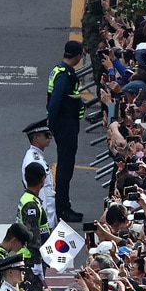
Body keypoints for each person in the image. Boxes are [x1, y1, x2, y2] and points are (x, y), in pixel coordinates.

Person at [45, 39, 85, 223]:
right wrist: (51, 127)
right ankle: (62, 208)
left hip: (66, 125)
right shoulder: (64, 76)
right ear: (77, 56)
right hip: (65, 126)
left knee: (65, 166)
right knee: (65, 168)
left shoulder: (60, 71)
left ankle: (63, 205)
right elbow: (55, 103)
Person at [21, 120, 58, 229]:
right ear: (36, 138)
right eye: (46, 135)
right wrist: (44, 216)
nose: (49, 138)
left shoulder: (36, 156)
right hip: (44, 215)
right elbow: (39, 190)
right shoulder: (35, 160)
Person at [18, 161, 52, 243]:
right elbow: (33, 239)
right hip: (31, 255)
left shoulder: (28, 198)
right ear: (43, 179)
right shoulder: (31, 205)